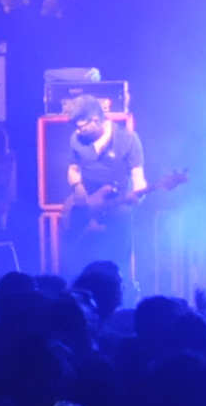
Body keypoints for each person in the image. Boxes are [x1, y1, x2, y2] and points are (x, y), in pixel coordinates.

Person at [62, 95, 148, 276]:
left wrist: (138, 196)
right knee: (80, 269)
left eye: (81, 126)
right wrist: (77, 186)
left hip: (117, 212)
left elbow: (138, 178)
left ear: (95, 120)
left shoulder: (128, 139)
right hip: (85, 212)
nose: (78, 132)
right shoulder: (76, 139)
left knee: (116, 268)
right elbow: (73, 168)